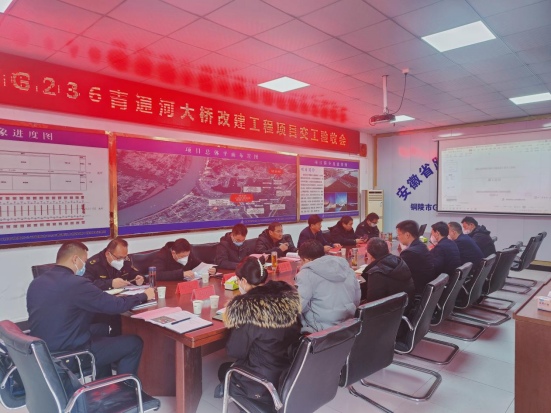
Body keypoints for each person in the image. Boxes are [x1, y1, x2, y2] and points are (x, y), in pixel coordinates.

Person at [26, 241, 155, 378]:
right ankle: (123, 388)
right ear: (75, 259)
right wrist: (143, 296)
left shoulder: (37, 283)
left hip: (42, 350)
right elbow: (115, 305)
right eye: (84, 261)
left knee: (103, 328)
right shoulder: (76, 284)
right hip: (68, 355)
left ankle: (104, 380)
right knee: (134, 343)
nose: (84, 266)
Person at [215, 256, 301, 402]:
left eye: (238, 280)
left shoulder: (246, 309)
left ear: (243, 281)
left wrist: (235, 323)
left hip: (262, 383)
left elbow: (235, 351)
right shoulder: (286, 297)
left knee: (223, 369)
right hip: (289, 374)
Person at [295, 240, 360, 333]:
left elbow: (298, 306)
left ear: (306, 259)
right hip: (349, 323)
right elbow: (357, 299)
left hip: (321, 329)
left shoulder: (306, 274)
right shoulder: (346, 268)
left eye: (301, 261)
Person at [361, 237, 415, 313]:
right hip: (406, 308)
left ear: (369, 255)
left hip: (389, 315)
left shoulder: (376, 273)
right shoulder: (399, 261)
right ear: (387, 250)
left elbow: (371, 306)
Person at [396, 220, 435, 295]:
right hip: (426, 288)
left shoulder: (409, 253)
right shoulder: (421, 245)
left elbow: (397, 274)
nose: (398, 237)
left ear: (407, 235)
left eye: (398, 235)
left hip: (416, 292)